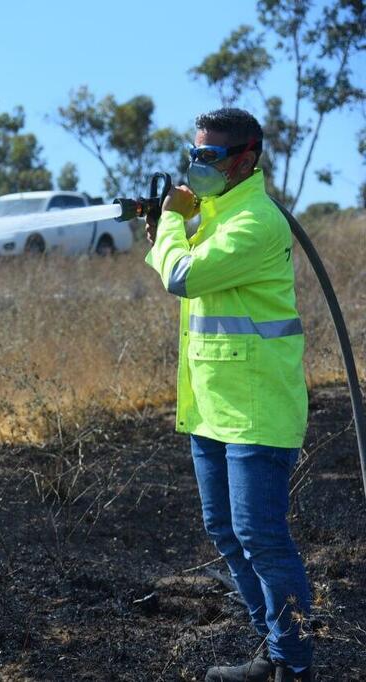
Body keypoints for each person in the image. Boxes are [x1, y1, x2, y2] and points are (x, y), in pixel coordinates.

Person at [144, 107, 313, 682]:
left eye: (209, 156)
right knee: (226, 532)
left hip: (258, 409)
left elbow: (183, 277)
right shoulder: (215, 216)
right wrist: (173, 226)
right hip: (214, 408)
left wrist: (169, 224)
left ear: (246, 159)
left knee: (262, 538)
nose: (196, 165)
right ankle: (273, 651)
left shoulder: (256, 223)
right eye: (193, 153)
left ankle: (293, 667)